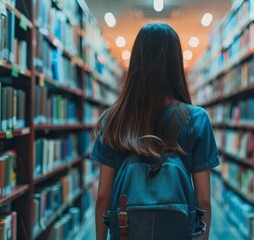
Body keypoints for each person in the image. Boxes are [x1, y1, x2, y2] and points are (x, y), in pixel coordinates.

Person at [90, 22, 219, 240]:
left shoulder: (113, 119)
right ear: (176, 64)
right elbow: (204, 200)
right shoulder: (197, 119)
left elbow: (103, 196)